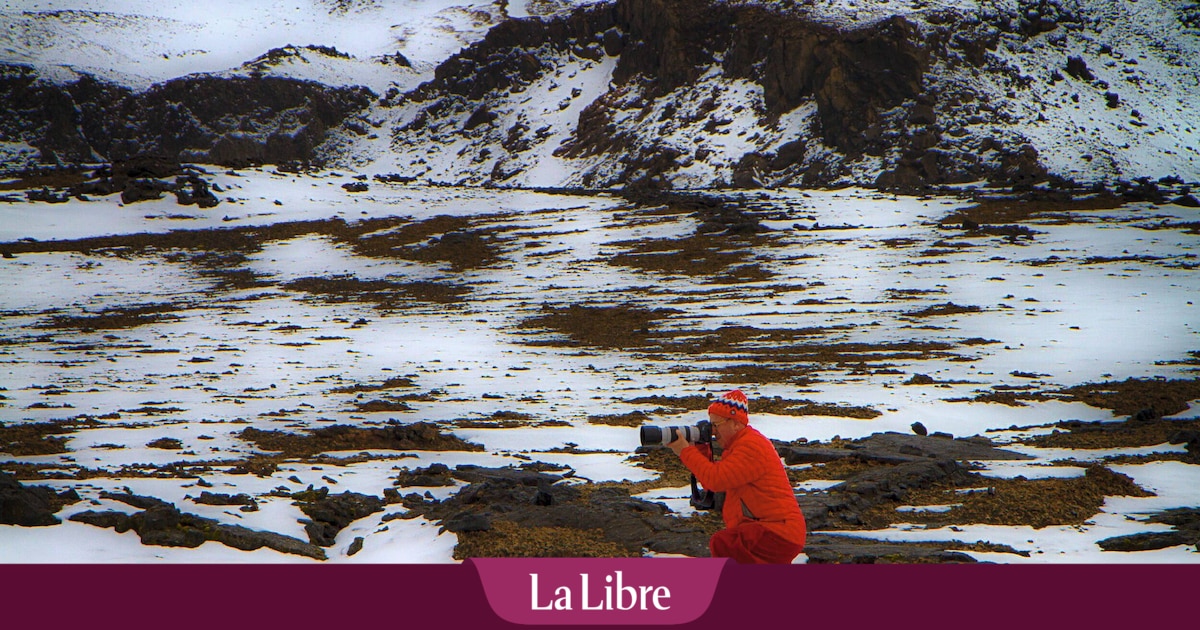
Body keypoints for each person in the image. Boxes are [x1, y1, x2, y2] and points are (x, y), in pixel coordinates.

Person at [668, 389, 806, 563]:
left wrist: (685, 451)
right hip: (775, 530)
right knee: (730, 547)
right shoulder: (739, 446)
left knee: (725, 544)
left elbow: (716, 480)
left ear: (735, 423)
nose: (713, 431)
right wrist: (700, 448)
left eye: (716, 425)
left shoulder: (751, 447)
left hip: (777, 531)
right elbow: (711, 483)